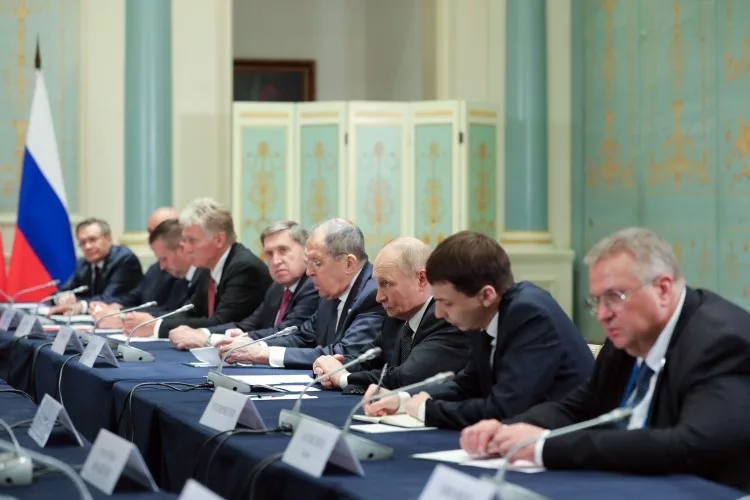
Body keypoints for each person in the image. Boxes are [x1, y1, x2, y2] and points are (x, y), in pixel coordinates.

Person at [460, 228, 750, 492]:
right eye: (597, 301)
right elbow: (580, 407)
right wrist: (508, 429)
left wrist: (544, 448)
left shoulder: (720, 343)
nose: (602, 315)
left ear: (663, 289)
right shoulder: (627, 338)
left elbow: (690, 445)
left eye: (615, 296)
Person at [363, 230, 594, 430]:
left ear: (486, 296)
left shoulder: (529, 315)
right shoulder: (481, 316)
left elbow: (505, 408)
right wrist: (403, 400)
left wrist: (427, 410)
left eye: (447, 303)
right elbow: (467, 385)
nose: (439, 313)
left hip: (569, 441)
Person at [217, 218, 385, 369]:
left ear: (349, 264)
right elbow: (303, 337)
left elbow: (344, 354)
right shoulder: (330, 292)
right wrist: (255, 345)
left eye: (316, 263)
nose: (309, 272)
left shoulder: (373, 295)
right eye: (307, 262)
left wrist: (262, 354)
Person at [312, 236, 469, 391]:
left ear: (421, 279)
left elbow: (407, 376)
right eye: (378, 284)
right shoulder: (397, 318)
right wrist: (332, 365)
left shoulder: (445, 318)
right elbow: (368, 360)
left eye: (386, 283)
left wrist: (343, 378)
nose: (379, 297)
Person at [169, 220, 319, 350]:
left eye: (283, 250)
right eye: (269, 253)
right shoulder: (277, 288)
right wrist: (203, 332)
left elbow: (287, 331)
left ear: (306, 251)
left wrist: (211, 340)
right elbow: (249, 324)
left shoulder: (312, 285)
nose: (275, 261)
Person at [151, 198, 272, 338]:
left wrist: (157, 327)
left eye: (192, 241)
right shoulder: (207, 267)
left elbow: (221, 322)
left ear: (219, 240)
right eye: (185, 240)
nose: (187, 248)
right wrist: (154, 321)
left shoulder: (244, 268)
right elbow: (191, 311)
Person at [89, 208, 182, 324]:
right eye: (151, 232)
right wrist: (116, 308)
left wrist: (123, 316)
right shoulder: (155, 268)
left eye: (161, 232)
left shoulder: (186, 271)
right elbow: (136, 296)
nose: (152, 239)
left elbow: (172, 311)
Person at [50, 218, 142, 314]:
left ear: (109, 238)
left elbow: (109, 298)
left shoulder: (124, 259)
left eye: (93, 240)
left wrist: (81, 305)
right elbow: (64, 290)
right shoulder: (83, 264)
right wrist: (61, 298)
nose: (87, 246)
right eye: (82, 242)